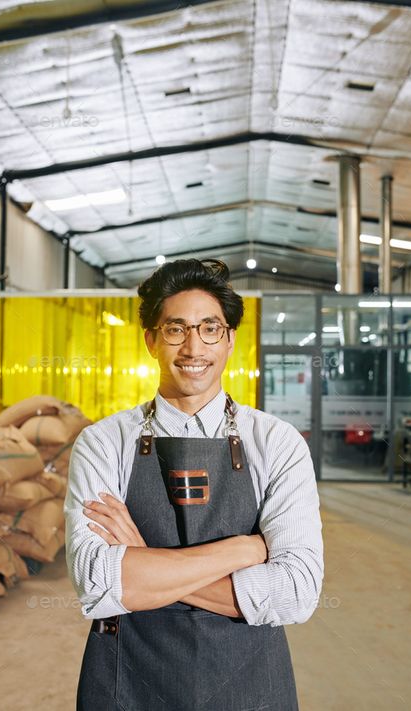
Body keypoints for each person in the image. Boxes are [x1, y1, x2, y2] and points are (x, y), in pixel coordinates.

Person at [64, 258, 324, 711]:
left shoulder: (277, 443)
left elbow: (296, 594)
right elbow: (95, 583)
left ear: (229, 341)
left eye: (209, 329)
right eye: (175, 329)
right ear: (150, 340)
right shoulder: (103, 442)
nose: (193, 347)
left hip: (248, 682)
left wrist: (140, 562)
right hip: (129, 679)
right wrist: (244, 550)